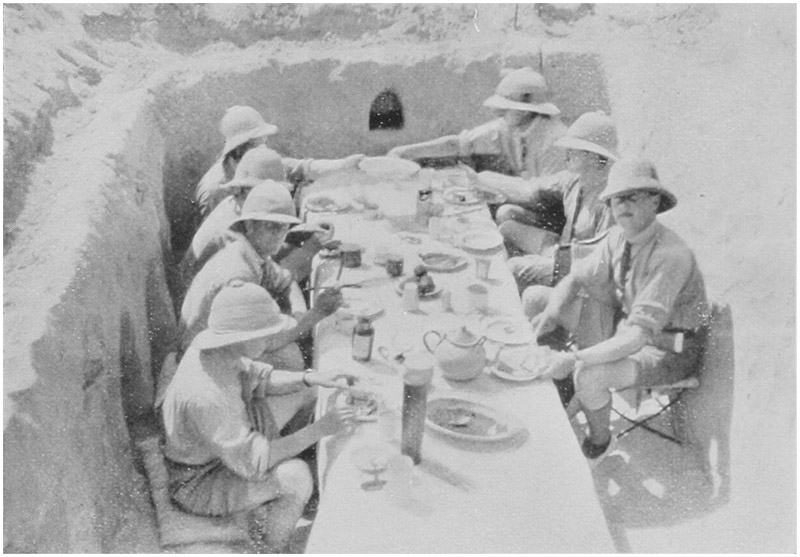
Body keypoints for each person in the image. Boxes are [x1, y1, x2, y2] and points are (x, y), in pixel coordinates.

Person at [530, 158, 709, 465]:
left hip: (668, 349)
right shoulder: (618, 236)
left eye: (632, 196)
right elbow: (575, 277)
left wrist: (574, 358)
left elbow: (639, 338)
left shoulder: (670, 254)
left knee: (589, 374)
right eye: (615, 199)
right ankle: (560, 391)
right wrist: (551, 314)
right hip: (625, 327)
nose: (621, 205)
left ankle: (600, 442)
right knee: (536, 299)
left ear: (654, 200)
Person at [162, 281, 357, 552]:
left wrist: (310, 377)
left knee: (310, 395)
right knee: (298, 477)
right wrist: (321, 428)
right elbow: (252, 462)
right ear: (240, 336)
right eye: (265, 334)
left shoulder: (217, 349)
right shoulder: (206, 395)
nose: (270, 340)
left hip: (225, 447)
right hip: (198, 480)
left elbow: (259, 376)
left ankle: (280, 493)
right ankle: (272, 548)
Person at [179, 180, 343, 369]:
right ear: (250, 225)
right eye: (271, 227)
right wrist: (316, 314)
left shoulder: (250, 251)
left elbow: (286, 280)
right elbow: (267, 342)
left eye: (284, 227)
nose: (279, 235)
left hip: (222, 342)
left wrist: (299, 316)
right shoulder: (239, 276)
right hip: (201, 359)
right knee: (291, 359)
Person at [176, 145, 334, 305]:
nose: (270, 195)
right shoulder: (230, 232)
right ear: (243, 189)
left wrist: (301, 232)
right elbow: (263, 281)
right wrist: (309, 249)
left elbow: (271, 265)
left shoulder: (236, 207)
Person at [503, 111, 618, 289]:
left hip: (579, 272)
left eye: (574, 150)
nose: (567, 154)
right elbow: (530, 189)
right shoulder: (574, 179)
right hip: (561, 252)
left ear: (596, 158)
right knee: (507, 227)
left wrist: (549, 265)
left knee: (513, 267)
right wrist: (481, 180)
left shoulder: (610, 201)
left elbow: (600, 264)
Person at [387, 68, 566, 178]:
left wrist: (488, 182)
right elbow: (459, 144)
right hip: (525, 195)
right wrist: (405, 152)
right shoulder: (509, 126)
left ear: (526, 110)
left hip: (553, 213)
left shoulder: (554, 139)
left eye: (506, 108)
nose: (499, 112)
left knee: (505, 214)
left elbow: (549, 194)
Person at [195, 105, 364, 220]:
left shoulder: (255, 163)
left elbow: (303, 168)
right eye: (257, 143)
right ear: (239, 148)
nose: (264, 147)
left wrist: (346, 164)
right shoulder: (214, 190)